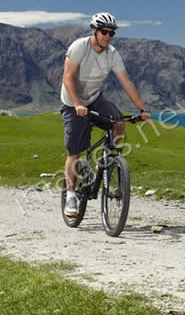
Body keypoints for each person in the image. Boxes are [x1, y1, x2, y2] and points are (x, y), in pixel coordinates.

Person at [60, 12, 151, 217]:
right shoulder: (79, 47)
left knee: (119, 123)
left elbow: (126, 82)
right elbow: (67, 78)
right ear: (95, 30)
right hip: (72, 101)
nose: (108, 37)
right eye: (104, 32)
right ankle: (71, 196)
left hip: (94, 99)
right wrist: (76, 104)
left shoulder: (112, 54)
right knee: (75, 151)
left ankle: (108, 163)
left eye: (112, 33)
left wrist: (142, 109)